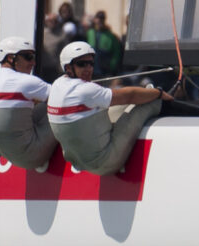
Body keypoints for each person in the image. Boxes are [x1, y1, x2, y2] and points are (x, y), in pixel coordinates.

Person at [47, 40, 166, 175]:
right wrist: (159, 93)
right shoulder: (86, 90)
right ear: (68, 68)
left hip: (77, 161)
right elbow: (130, 95)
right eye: (82, 64)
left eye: (91, 64)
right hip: (105, 163)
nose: (89, 69)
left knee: (116, 104)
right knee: (150, 102)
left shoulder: (57, 84)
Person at [0, 36, 57, 171]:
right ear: (10, 58)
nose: (33, 63)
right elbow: (65, 99)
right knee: (58, 107)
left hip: (1, 152)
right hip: (32, 156)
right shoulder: (27, 81)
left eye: (34, 57)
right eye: (28, 57)